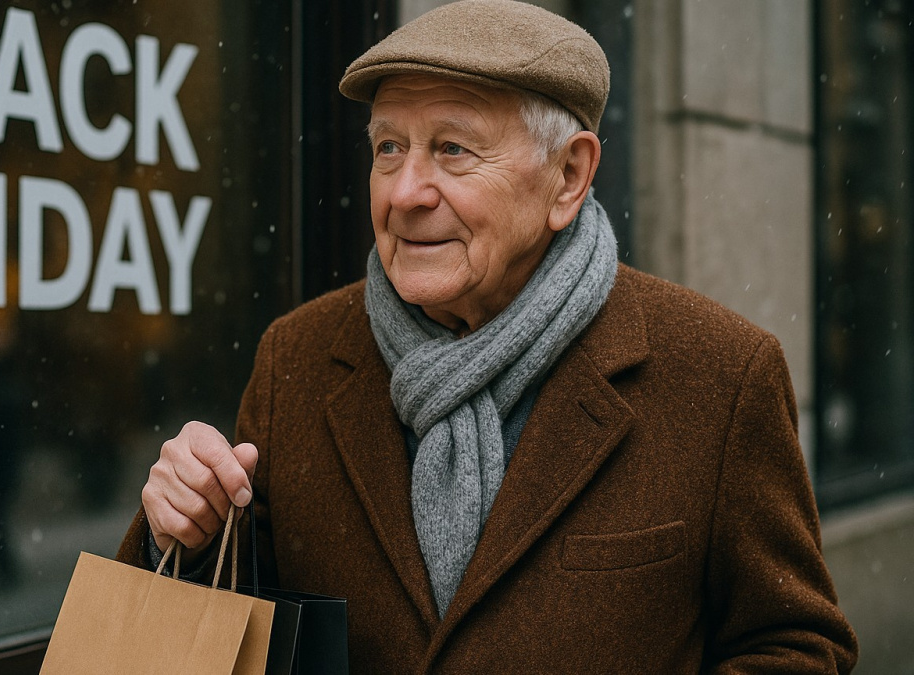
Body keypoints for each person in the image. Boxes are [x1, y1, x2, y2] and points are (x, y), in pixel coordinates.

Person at [116, 1, 859, 671]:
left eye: (453, 150)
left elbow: (795, 645)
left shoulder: (719, 374)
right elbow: (225, 623)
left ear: (569, 176)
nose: (407, 192)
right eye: (388, 149)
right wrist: (182, 531)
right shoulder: (297, 358)